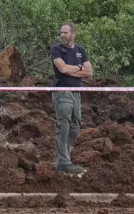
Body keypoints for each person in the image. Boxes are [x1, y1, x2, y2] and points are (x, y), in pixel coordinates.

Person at [51, 22, 93, 174]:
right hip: (62, 91)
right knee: (64, 124)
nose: (62, 35)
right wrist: (80, 67)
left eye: (65, 33)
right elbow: (62, 69)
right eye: (61, 33)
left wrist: (72, 70)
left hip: (76, 92)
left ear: (73, 34)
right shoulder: (56, 49)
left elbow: (89, 73)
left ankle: (64, 158)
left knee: (75, 127)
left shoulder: (80, 50)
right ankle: (63, 163)